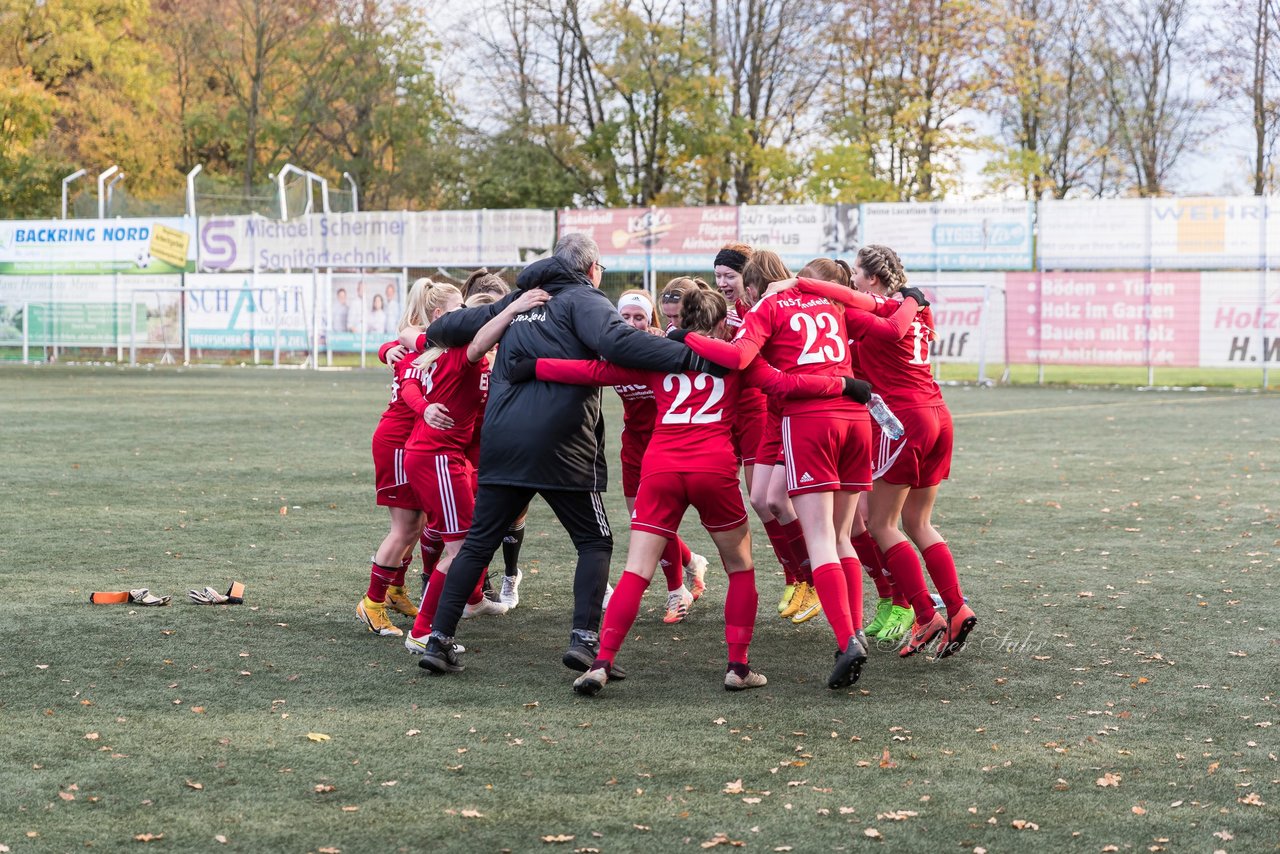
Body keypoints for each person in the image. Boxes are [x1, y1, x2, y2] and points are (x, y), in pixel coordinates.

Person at [512, 288, 871, 696]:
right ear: (722, 323)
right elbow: (782, 384)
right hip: (714, 468)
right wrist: (842, 386)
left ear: (678, 322)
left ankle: (602, 663)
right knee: (740, 568)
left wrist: (534, 366)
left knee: (636, 570)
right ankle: (738, 667)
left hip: (661, 465)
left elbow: (595, 372)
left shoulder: (657, 357)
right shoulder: (737, 361)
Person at [403, 232, 722, 676]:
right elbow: (618, 344)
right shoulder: (583, 299)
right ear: (592, 269)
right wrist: (693, 357)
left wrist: (442, 331)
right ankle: (585, 641)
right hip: (563, 444)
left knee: (478, 542)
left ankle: (438, 641)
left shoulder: (522, 299)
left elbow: (443, 329)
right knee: (594, 542)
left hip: (503, 442)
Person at [679, 258, 924, 690]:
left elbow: (742, 360)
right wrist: (911, 300)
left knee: (821, 539)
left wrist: (684, 338)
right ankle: (856, 630)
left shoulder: (766, 310)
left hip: (813, 420)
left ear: (754, 287)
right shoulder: (830, 300)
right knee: (844, 534)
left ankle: (847, 637)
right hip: (856, 420)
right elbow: (889, 322)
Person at [823, 245, 978, 658]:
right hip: (938, 414)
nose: (852, 280)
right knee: (918, 521)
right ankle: (957, 606)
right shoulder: (919, 310)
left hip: (905, 419)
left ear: (871, 278)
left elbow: (867, 328)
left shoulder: (872, 312)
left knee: (880, 523)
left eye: (856, 272)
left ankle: (927, 614)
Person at [399, 283, 554, 653]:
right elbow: (479, 338)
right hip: (437, 457)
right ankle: (422, 631)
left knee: (463, 545)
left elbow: (408, 335)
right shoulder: (460, 353)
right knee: (462, 549)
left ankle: (462, 605)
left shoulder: (447, 351)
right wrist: (513, 308)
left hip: (441, 456)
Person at [614, 288, 707, 622]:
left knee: (654, 520)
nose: (632, 323)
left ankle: (675, 591)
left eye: (639, 317)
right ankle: (692, 561)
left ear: (650, 319)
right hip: (632, 443)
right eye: (625, 316)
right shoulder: (611, 348)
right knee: (640, 519)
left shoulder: (661, 347)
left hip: (664, 443)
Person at [356, 279, 438, 638]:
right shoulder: (419, 340)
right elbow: (405, 347)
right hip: (399, 441)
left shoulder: (418, 339)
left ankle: (394, 591)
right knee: (404, 528)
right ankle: (371, 605)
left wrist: (387, 346)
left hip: (411, 440)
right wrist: (388, 346)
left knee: (417, 524)